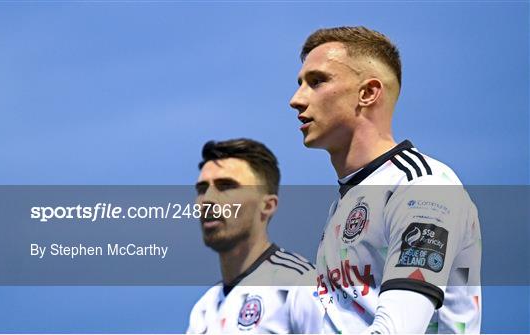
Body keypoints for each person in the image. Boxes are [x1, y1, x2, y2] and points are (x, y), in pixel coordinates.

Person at [289, 26, 481, 333]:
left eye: (317, 81)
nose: (296, 100)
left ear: (367, 93)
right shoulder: (347, 200)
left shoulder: (424, 187)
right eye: (300, 84)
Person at [186, 138, 323, 334]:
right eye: (202, 189)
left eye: (226, 186)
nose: (207, 200)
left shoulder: (300, 286)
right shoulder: (203, 309)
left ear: (267, 205)